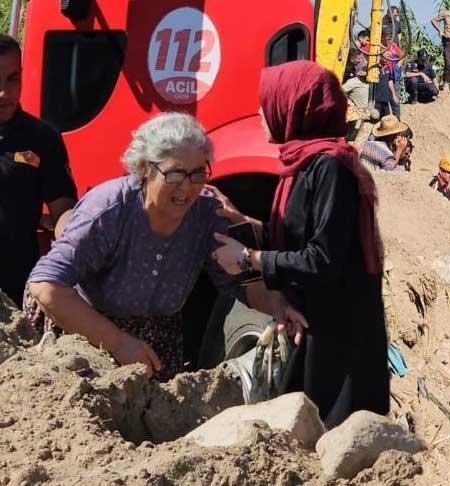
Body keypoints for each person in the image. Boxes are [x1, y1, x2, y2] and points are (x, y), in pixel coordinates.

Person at [25, 113, 299, 382]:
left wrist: (280, 307)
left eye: (197, 173)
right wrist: (118, 343)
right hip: (85, 331)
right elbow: (46, 286)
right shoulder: (110, 210)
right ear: (145, 168)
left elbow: (243, 283)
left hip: (156, 341)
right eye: (176, 173)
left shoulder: (207, 215)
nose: (187, 188)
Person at [212, 61, 390, 425]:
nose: (262, 113)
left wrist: (248, 257)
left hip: (338, 341)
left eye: (269, 102)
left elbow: (322, 258)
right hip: (314, 324)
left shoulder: (329, 169)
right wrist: (251, 225)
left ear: (295, 107)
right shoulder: (304, 165)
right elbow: (302, 236)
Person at [0, 34, 77, 308]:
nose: (4, 94)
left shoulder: (43, 139)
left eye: (12, 79)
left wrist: (77, 240)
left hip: (14, 293)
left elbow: (63, 211)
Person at [342, 48, 370, 114]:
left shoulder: (352, 67)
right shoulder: (347, 68)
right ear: (352, 59)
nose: (360, 61)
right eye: (358, 59)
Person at [372, 54, 400, 118]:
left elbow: (390, 81)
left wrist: (394, 95)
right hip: (376, 99)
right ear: (380, 57)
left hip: (385, 99)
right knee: (375, 118)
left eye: (388, 57)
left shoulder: (387, 67)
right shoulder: (374, 67)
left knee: (386, 118)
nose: (387, 59)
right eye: (386, 57)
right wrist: (381, 72)